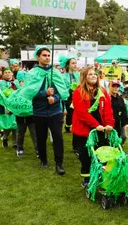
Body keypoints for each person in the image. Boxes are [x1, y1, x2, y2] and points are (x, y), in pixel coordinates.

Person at [14, 45, 69, 175]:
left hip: (55, 111)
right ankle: (43, 159)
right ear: (38, 57)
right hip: (39, 112)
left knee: (58, 137)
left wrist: (55, 98)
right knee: (41, 137)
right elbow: (28, 93)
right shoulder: (32, 74)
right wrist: (45, 93)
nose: (47, 57)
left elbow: (62, 91)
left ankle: (59, 163)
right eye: (44, 55)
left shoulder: (55, 72)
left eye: (49, 55)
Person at [72, 67, 114, 188]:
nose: (93, 76)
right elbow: (81, 113)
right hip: (84, 130)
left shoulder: (102, 91)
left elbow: (108, 109)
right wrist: (96, 125)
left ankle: (101, 175)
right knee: (85, 156)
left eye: (94, 73)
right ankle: (86, 178)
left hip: (101, 128)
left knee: (102, 154)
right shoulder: (78, 91)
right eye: (89, 74)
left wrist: (109, 124)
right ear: (84, 77)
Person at [0, 67, 19, 148]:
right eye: (5, 72)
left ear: (12, 73)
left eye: (9, 72)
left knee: (15, 125)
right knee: (8, 125)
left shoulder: (16, 83)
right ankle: (5, 137)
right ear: (2, 74)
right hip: (4, 107)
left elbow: (20, 93)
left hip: (15, 107)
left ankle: (15, 143)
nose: (7, 74)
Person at [14, 70, 38, 157]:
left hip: (31, 116)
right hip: (20, 117)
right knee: (21, 133)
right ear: (19, 82)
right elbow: (12, 103)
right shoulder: (16, 93)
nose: (24, 83)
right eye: (22, 81)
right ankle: (19, 148)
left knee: (34, 133)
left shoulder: (31, 92)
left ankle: (37, 148)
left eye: (25, 81)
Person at [59, 55, 79, 134]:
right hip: (67, 98)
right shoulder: (63, 76)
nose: (75, 65)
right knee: (68, 114)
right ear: (68, 65)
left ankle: (71, 127)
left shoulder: (78, 75)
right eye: (73, 63)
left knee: (75, 113)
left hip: (76, 97)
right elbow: (62, 89)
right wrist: (70, 89)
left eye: (75, 63)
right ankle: (66, 127)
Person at [108, 79, 128, 145]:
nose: (115, 88)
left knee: (124, 136)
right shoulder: (107, 98)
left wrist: (126, 123)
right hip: (110, 123)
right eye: (113, 86)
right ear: (109, 86)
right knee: (112, 139)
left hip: (119, 122)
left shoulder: (120, 98)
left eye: (117, 86)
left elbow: (124, 111)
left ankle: (119, 146)